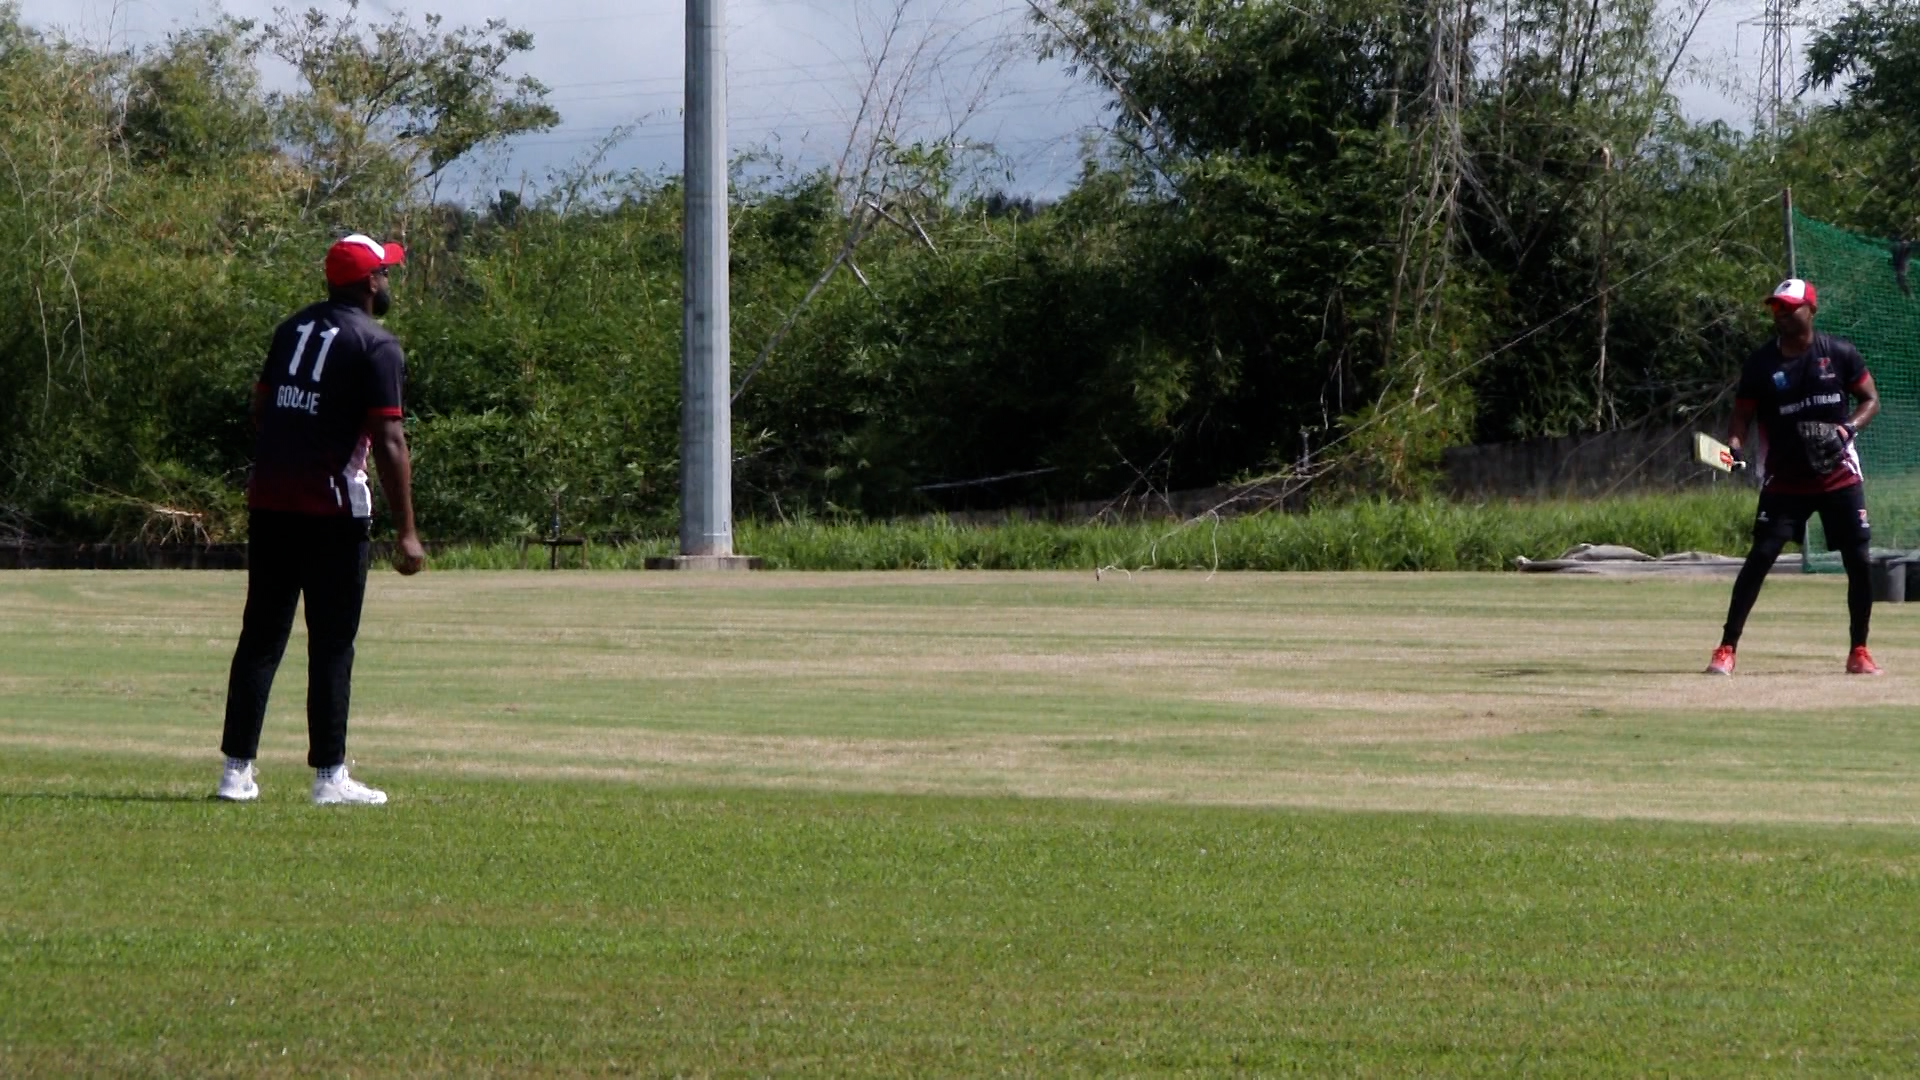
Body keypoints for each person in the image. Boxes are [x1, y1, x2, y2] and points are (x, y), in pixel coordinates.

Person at [216, 233, 427, 804]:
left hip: (270, 501)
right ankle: (330, 777)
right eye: (383, 273)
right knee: (332, 643)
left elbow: (262, 408)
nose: (387, 281)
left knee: (260, 636)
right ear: (366, 283)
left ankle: (236, 773)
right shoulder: (377, 344)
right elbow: (389, 439)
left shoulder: (291, 330)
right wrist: (407, 530)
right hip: (333, 509)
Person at [1706, 277, 1881, 676]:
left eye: (1788, 307)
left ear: (1810, 310)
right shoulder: (1761, 364)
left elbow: (1870, 399)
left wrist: (1847, 429)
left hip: (1838, 477)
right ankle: (1726, 647)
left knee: (1859, 560)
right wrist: (1734, 444)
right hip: (1784, 479)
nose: (1781, 315)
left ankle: (1859, 650)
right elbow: (1742, 416)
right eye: (1776, 309)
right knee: (1761, 557)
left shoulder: (1839, 354)